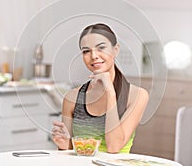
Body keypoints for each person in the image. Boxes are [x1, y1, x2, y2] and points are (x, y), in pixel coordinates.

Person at [51, 23, 149, 153]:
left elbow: (114, 147)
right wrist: (63, 145)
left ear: (115, 50)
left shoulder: (138, 96)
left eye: (101, 48)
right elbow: (68, 154)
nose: (94, 56)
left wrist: (110, 92)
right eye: (86, 51)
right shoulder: (72, 98)